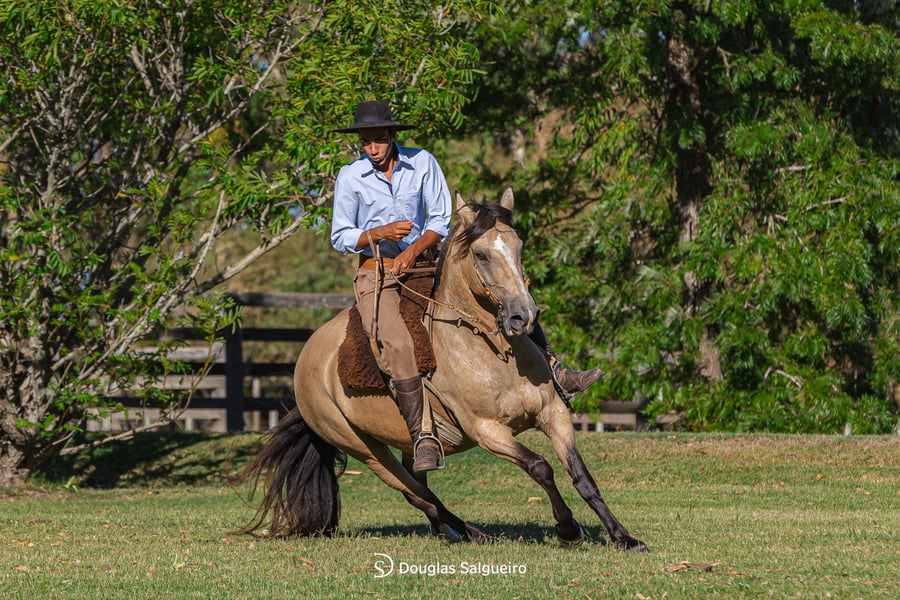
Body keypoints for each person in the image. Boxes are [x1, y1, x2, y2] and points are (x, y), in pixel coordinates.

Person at [330, 100, 602, 473]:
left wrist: (413, 251)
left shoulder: (422, 162)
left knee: (505, 292)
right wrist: (378, 233)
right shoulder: (350, 177)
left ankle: (555, 370)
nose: (371, 149)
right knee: (395, 338)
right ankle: (423, 433)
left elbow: (441, 218)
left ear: (392, 136)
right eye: (365, 142)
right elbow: (340, 235)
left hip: (425, 260)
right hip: (377, 269)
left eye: (378, 140)